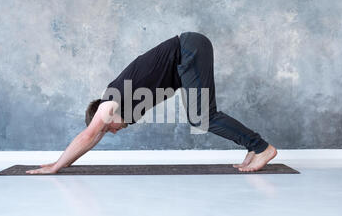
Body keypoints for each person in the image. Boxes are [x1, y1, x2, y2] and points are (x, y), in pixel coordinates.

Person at [26, 32, 277, 174]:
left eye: (108, 128)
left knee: (202, 117)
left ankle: (262, 147)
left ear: (102, 114)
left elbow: (90, 134)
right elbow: (92, 139)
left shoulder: (110, 100)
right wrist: (66, 163)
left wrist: (56, 166)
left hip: (188, 49)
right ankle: (254, 149)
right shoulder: (123, 105)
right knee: (201, 117)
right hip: (187, 56)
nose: (112, 130)